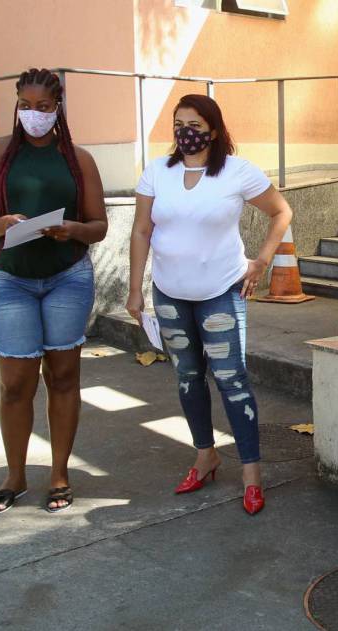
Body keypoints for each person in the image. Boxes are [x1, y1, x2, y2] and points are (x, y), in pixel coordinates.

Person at [126, 94, 293, 516]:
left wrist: (262, 260)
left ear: (213, 130)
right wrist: (135, 288)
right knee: (187, 377)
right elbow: (141, 230)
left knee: (231, 379)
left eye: (195, 124)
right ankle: (206, 455)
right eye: (178, 123)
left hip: (221, 292)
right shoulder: (157, 172)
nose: (185, 131)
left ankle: (252, 474)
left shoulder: (236, 172)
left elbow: (281, 211)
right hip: (169, 293)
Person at [0, 68, 109, 514]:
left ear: (58, 108)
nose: (33, 115)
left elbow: (99, 226)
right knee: (15, 384)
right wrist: (3, 224)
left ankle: (60, 474)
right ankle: (14, 476)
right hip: (13, 280)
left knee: (64, 377)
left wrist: (72, 230)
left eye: (43, 107)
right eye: (25, 106)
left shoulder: (78, 159)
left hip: (68, 276)